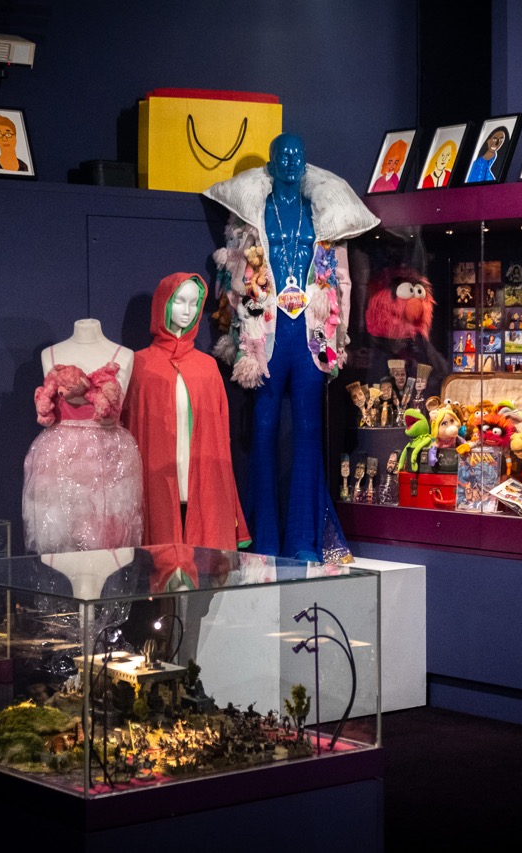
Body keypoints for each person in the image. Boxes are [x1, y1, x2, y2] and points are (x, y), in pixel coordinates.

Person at [204, 132, 378, 561]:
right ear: (272, 162)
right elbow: (231, 274)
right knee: (261, 431)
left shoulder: (320, 217)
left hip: (309, 337)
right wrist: (234, 329)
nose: (290, 162)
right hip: (267, 333)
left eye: (297, 156)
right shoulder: (252, 216)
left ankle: (304, 541)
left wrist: (340, 336)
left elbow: (342, 278)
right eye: (282, 156)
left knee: (308, 435)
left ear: (304, 165)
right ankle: (262, 540)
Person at [122, 272, 250, 551]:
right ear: (163, 304)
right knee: (158, 576)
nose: (188, 310)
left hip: (201, 483)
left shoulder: (207, 368)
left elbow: (221, 442)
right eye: (179, 301)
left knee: (201, 575)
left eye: (194, 303)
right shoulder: (139, 366)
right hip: (155, 483)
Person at [21, 318, 143, 553]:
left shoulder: (123, 355)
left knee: (108, 528)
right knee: (61, 532)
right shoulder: (51, 355)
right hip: (59, 455)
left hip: (108, 453)